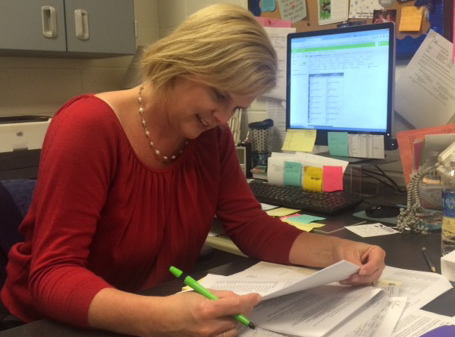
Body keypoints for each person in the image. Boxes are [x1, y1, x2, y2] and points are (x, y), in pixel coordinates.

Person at [0, 4, 385, 337]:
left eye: (236, 107)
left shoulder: (211, 138)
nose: (222, 118)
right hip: (55, 322)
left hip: (155, 307)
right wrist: (161, 318)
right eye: (219, 95)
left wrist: (340, 252)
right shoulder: (87, 126)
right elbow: (52, 275)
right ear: (181, 61)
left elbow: (251, 226)